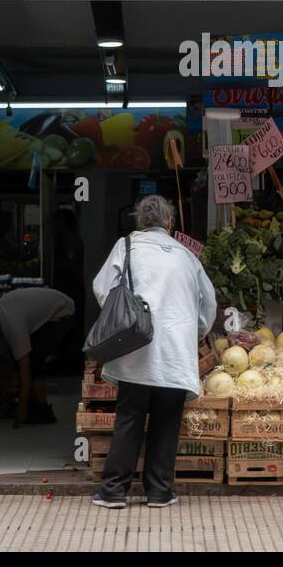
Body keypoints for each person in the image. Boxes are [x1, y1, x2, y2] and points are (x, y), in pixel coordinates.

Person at [91, 194, 217, 510]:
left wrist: (120, 318)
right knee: (166, 422)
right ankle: (160, 492)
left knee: (130, 418)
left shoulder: (127, 246)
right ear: (170, 222)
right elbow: (209, 304)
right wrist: (194, 331)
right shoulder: (188, 256)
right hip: (176, 354)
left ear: (139, 220)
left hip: (136, 350)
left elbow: (102, 287)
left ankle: (113, 491)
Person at [0, 286, 75, 425]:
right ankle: (32, 403)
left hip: (62, 312)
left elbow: (24, 365)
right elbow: (7, 361)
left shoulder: (11, 323)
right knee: (20, 357)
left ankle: (43, 410)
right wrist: (3, 398)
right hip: (48, 308)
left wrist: (21, 408)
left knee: (34, 360)